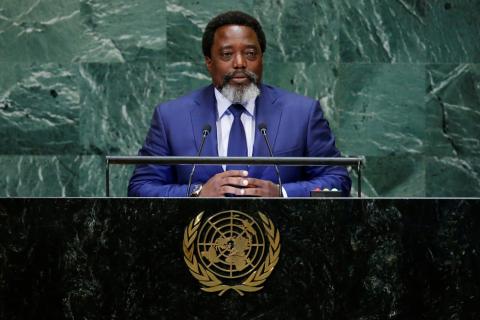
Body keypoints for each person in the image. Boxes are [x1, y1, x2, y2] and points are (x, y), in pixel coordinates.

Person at [128, 11, 351, 197]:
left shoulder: (302, 113)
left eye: (250, 53)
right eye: (226, 54)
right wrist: (197, 193)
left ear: (261, 58)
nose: (240, 63)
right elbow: (140, 188)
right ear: (209, 62)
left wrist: (282, 193)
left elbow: (338, 179)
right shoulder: (171, 117)